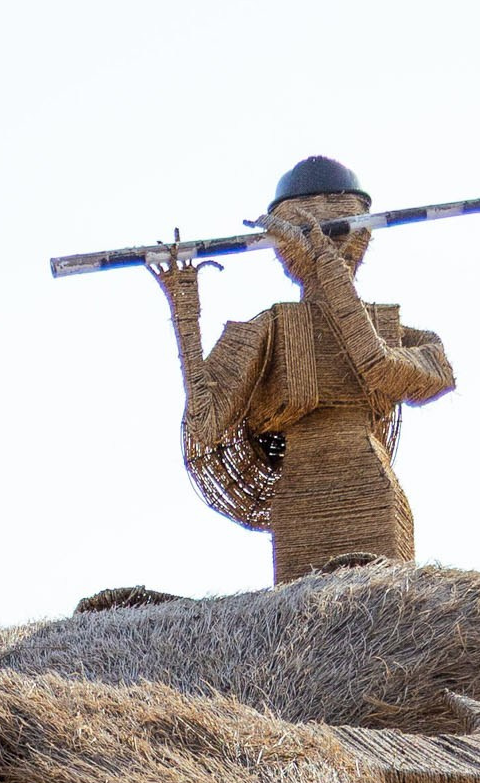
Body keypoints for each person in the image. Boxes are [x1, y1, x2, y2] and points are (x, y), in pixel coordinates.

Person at [148, 154, 456, 583]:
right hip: (299, 496)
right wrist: (185, 312)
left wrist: (327, 268)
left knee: (381, 604)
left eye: (339, 221)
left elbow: (377, 365)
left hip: (369, 487)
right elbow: (204, 424)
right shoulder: (271, 330)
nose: (323, 242)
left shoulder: (395, 333)